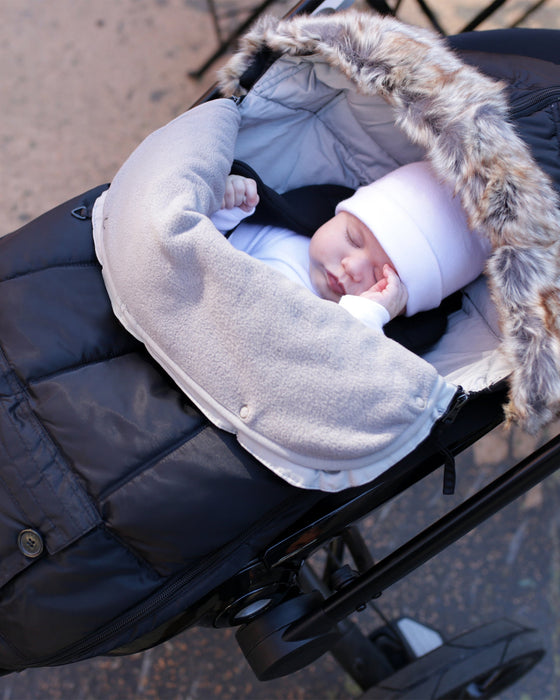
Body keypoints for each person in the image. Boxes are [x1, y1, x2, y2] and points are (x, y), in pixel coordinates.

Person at [211, 161, 491, 332]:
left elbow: (339, 370)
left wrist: (366, 319)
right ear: (337, 214)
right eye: (353, 239)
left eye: (380, 279)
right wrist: (226, 206)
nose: (352, 267)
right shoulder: (273, 229)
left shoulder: (354, 323)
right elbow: (202, 247)